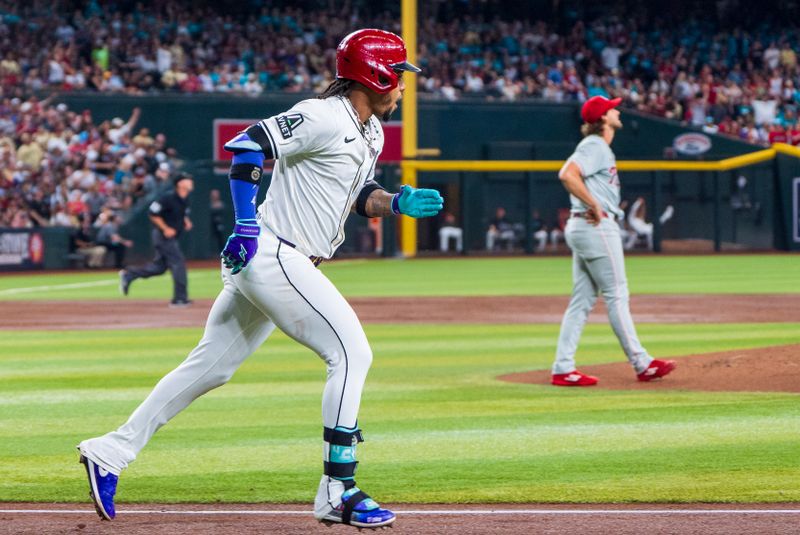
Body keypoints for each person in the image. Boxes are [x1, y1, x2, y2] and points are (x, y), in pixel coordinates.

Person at [77, 29, 442, 530]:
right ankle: (339, 489)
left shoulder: (370, 131)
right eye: (398, 76)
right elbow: (248, 145)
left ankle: (108, 451)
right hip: (273, 253)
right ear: (375, 75)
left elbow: (361, 194)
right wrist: (245, 222)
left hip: (280, 259)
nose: (402, 86)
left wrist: (395, 202)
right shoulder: (321, 114)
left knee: (210, 368)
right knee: (352, 352)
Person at [550, 96, 676, 387]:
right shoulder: (595, 145)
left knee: (582, 301)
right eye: (612, 107)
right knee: (617, 293)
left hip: (584, 226)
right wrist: (593, 203)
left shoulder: (597, 147)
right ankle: (642, 363)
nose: (617, 110)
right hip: (596, 227)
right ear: (603, 118)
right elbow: (567, 175)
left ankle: (562, 367)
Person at [118, 172, 194, 306]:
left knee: (159, 268)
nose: (191, 182)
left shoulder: (185, 199)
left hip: (171, 237)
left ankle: (129, 274)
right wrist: (165, 228)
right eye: (188, 180)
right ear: (180, 183)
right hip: (162, 236)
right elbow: (153, 213)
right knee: (178, 263)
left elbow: (182, 213)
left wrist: (185, 221)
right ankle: (179, 299)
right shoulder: (167, 197)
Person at [209, 188, 226, 253]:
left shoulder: (221, 204)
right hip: (212, 226)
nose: (214, 196)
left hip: (220, 226)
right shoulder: (209, 204)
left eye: (216, 194)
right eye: (213, 194)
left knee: (220, 240)